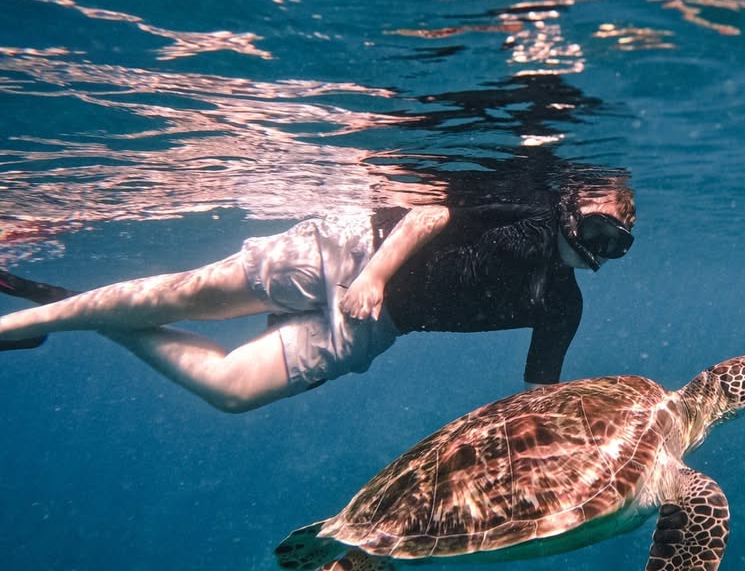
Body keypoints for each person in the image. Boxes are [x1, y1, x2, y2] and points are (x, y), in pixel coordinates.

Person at [0, 182, 635, 413]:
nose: (599, 249)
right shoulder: (525, 206)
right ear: (570, 208)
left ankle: (81, 311)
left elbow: (542, 394)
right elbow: (425, 217)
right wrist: (375, 276)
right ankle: (26, 322)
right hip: (358, 252)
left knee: (231, 391)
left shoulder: (562, 305)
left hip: (384, 322)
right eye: (598, 230)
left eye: (617, 245)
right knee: (182, 298)